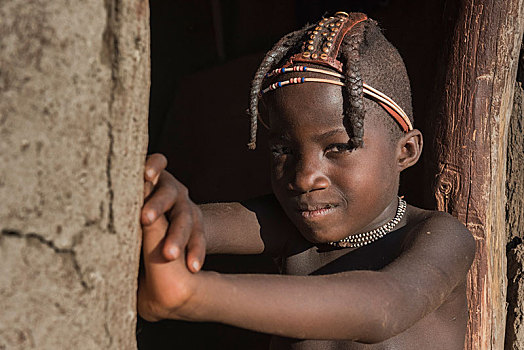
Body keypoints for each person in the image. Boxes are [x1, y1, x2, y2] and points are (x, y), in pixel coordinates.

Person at [138, 12, 475, 349]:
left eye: (338, 147)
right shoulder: (291, 227)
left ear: (406, 151)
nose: (304, 177)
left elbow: (384, 308)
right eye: (283, 149)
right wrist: (165, 203)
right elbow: (194, 224)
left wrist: (193, 295)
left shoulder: (441, 238)